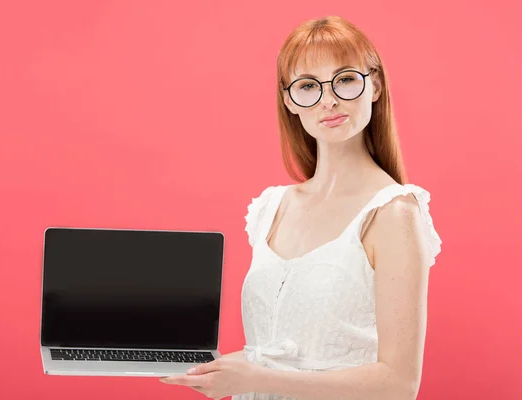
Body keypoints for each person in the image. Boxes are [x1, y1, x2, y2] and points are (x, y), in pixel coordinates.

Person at [160, 15, 442, 400]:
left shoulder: (393, 213)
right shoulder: (272, 207)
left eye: (344, 79)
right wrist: (208, 370)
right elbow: (283, 352)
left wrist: (255, 380)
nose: (328, 100)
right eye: (308, 85)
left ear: (373, 85)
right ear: (290, 99)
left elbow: (397, 384)